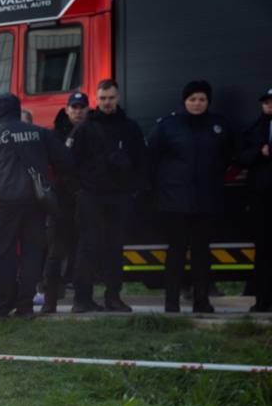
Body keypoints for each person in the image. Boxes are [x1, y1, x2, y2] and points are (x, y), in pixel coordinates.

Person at [0, 93, 65, 318]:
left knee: (4, 255)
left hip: (3, 205)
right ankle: (25, 306)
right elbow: (64, 160)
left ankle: (1, 306)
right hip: (35, 203)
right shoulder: (40, 133)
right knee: (32, 253)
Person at [148, 81, 232, 314]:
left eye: (202, 99)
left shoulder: (219, 126)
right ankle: (171, 304)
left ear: (208, 102)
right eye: (192, 99)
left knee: (202, 255)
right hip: (175, 203)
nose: (197, 103)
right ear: (184, 101)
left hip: (206, 202)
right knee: (175, 254)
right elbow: (152, 159)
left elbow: (227, 157)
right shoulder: (168, 126)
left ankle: (201, 301)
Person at [69, 79, 147, 313]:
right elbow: (70, 163)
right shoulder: (84, 128)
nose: (107, 102)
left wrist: (134, 190)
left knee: (115, 248)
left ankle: (113, 297)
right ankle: (82, 300)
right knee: (87, 248)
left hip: (119, 197)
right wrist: (79, 191)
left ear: (118, 97)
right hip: (91, 196)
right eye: (102, 98)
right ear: (97, 98)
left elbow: (141, 161)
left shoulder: (130, 128)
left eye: (111, 98)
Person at [41, 91, 89, 313]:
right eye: (74, 107)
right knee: (55, 254)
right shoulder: (53, 135)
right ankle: (50, 301)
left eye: (82, 107)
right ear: (67, 109)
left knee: (83, 253)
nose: (78, 111)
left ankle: (82, 301)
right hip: (59, 203)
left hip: (86, 200)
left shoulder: (91, 132)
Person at [238, 88, 272, 312]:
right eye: (267, 102)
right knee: (264, 252)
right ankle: (263, 301)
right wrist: (260, 152)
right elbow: (241, 157)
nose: (270, 106)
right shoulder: (254, 129)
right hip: (262, 200)